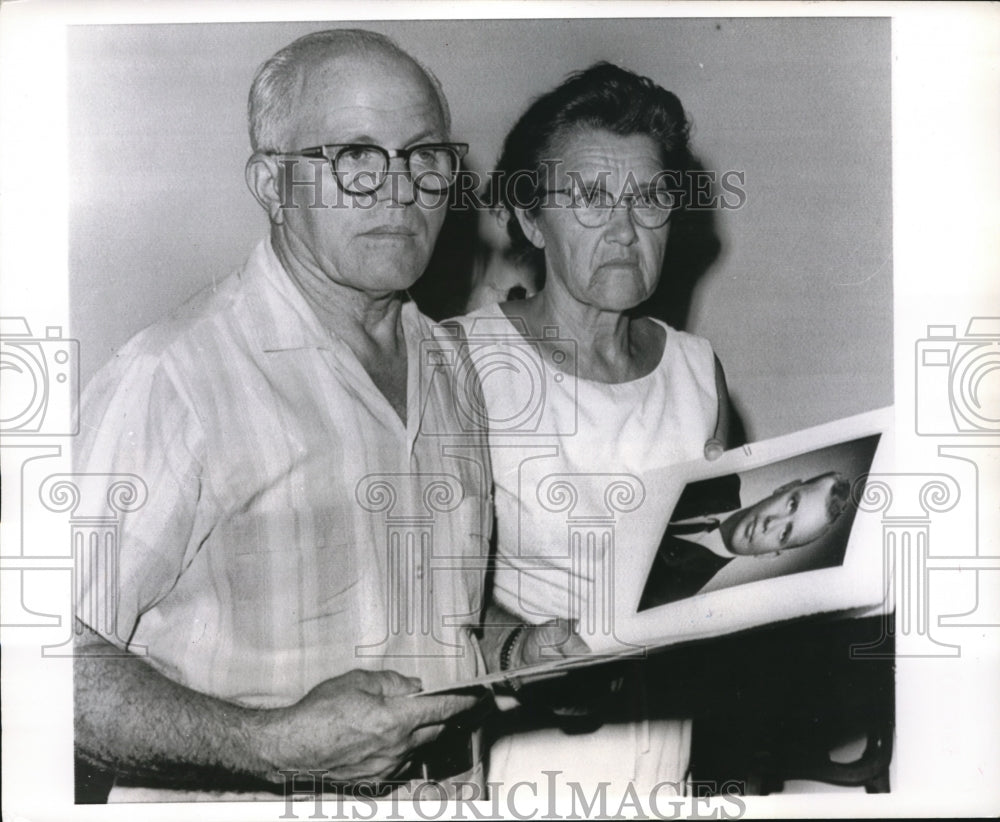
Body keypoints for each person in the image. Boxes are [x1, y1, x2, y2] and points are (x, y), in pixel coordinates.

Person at [71, 28, 566, 803]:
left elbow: (436, 606)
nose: (400, 193)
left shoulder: (449, 364)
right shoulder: (176, 375)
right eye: (356, 159)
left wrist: (521, 646)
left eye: (425, 159)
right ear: (271, 184)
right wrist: (267, 747)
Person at [455, 63, 732, 794]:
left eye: (649, 198)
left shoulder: (697, 371)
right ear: (527, 219)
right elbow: (418, 589)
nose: (624, 228)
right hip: (518, 750)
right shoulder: (464, 360)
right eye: (588, 198)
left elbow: (715, 570)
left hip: (667, 742)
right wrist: (521, 651)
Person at [639, 471, 852, 609]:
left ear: (769, 555)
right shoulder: (720, 475)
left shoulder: (668, 596)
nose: (772, 523)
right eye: (791, 504)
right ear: (784, 488)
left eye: (784, 534)